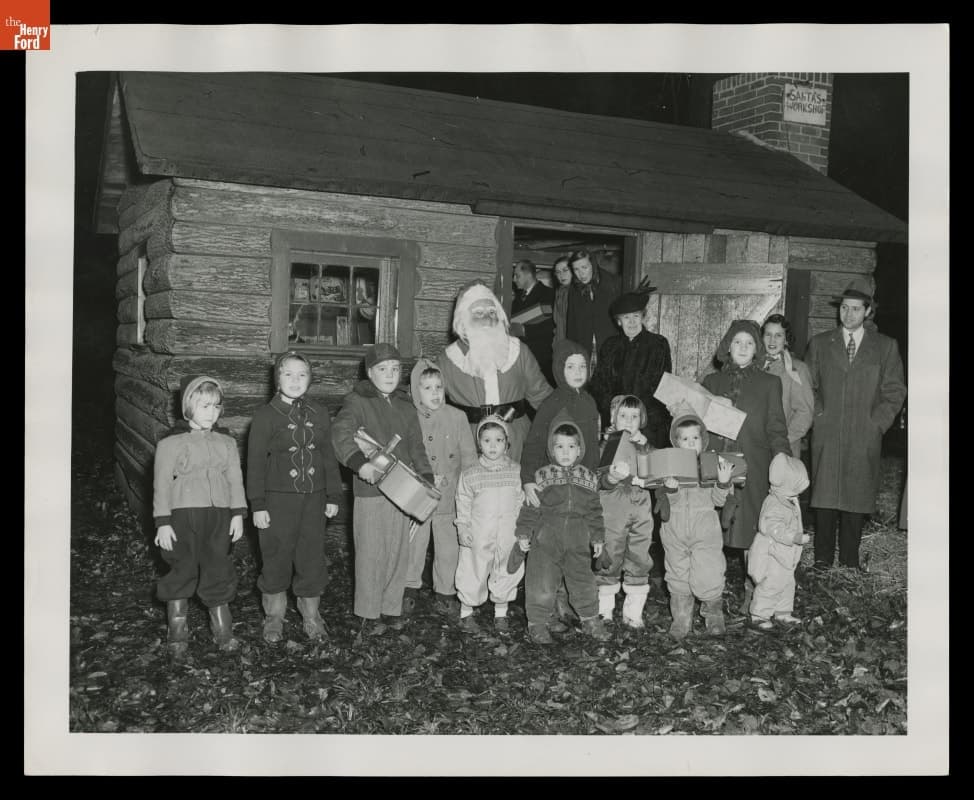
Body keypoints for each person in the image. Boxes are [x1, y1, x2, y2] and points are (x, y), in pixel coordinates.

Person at [331, 343, 434, 633]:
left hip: (403, 489)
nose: (389, 374)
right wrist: (358, 463)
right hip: (372, 490)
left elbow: (416, 445)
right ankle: (368, 610)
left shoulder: (405, 405)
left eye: (395, 369)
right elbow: (340, 433)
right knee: (370, 551)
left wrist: (426, 475)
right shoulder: (357, 401)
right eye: (382, 369)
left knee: (398, 550)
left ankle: (391, 607)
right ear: (369, 372)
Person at [805, 278, 906, 570]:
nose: (848, 315)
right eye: (844, 308)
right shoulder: (821, 344)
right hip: (827, 432)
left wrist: (877, 424)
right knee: (825, 496)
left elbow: (895, 391)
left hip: (864, 433)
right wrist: (818, 415)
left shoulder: (885, 347)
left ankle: (850, 562)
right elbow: (807, 386)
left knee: (856, 496)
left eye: (856, 309)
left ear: (868, 311)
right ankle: (822, 561)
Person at [247, 352, 343, 643]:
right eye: (288, 374)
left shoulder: (319, 413)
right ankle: (274, 616)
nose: (295, 380)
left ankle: (311, 615)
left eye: (302, 374)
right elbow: (254, 464)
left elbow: (328, 457)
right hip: (277, 501)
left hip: (313, 500)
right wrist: (257, 504)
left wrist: (333, 495)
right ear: (277, 379)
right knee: (275, 555)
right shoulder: (265, 416)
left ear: (310, 379)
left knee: (311, 556)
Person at [153, 375, 247, 657]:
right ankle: (177, 631)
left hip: (219, 516)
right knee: (182, 568)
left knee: (218, 567)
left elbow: (235, 479)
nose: (211, 412)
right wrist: (162, 522)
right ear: (187, 408)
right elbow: (161, 483)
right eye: (204, 406)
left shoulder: (226, 442)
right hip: (182, 516)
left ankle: (223, 631)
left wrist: (237, 514)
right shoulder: (170, 443)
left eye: (216, 406)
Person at [702, 320, 791, 611]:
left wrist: (783, 462)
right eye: (737, 342)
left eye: (749, 343)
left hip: (752, 463)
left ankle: (755, 591)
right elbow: (697, 428)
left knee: (752, 530)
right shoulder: (711, 383)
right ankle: (709, 593)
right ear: (728, 346)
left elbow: (776, 428)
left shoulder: (769, 384)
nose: (742, 348)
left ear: (757, 349)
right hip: (718, 462)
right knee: (710, 530)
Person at [519, 339, 601, 629]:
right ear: (559, 370)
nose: (577, 372)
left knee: (577, 549)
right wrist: (528, 480)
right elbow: (533, 445)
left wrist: (593, 479)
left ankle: (570, 602)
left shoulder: (589, 402)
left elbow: (592, 448)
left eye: (582, 366)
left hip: (580, 487)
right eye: (570, 367)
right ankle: (550, 606)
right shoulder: (552, 404)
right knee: (549, 552)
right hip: (552, 487)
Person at [514, 412, 611, 644]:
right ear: (551, 449)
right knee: (541, 581)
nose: (565, 452)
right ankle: (537, 623)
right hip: (546, 539)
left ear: (579, 450)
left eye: (571, 446)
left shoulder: (588, 478)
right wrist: (524, 533)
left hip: (578, 539)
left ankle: (590, 619)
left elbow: (595, 511)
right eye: (559, 446)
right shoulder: (542, 476)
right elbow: (530, 507)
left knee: (583, 580)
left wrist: (598, 537)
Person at [437, 280, 553, 462]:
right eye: (478, 313)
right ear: (463, 317)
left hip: (516, 442)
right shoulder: (448, 359)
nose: (487, 318)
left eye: (492, 312)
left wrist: (567, 422)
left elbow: (543, 397)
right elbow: (428, 402)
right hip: (469, 444)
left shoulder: (518, 351)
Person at [405, 358, 478, 616]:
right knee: (414, 544)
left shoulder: (457, 417)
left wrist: (470, 487)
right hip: (419, 494)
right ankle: (409, 588)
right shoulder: (411, 417)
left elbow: (468, 456)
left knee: (448, 547)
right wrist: (419, 476)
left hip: (450, 494)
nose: (434, 393)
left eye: (438, 387)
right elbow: (406, 454)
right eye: (427, 388)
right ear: (416, 391)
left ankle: (445, 592)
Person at [657, 407, 733, 639]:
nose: (691, 443)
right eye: (685, 439)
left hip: (705, 532)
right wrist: (670, 489)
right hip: (675, 532)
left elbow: (719, 501)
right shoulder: (668, 466)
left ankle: (714, 615)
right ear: (676, 442)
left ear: (703, 440)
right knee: (677, 574)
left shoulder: (710, 465)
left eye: (695, 438)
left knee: (709, 572)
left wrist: (722, 483)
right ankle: (681, 618)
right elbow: (666, 504)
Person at [454, 416, 525, 634]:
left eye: (499, 440)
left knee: (507, 569)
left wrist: (523, 531)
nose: (493, 446)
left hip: (508, 533)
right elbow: (463, 502)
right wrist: (463, 527)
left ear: (507, 443)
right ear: (479, 443)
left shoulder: (516, 471)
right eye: (487, 441)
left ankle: (501, 613)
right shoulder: (471, 473)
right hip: (479, 533)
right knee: (473, 569)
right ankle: (466, 612)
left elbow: (521, 501)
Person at [595, 395, 655, 630]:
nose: (629, 421)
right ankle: (604, 610)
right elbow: (598, 477)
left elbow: (657, 471)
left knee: (640, 554)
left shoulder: (645, 445)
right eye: (623, 415)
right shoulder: (607, 444)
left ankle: (633, 613)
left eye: (634, 416)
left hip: (641, 506)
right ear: (613, 418)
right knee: (610, 553)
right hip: (613, 505)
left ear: (642, 420)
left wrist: (645, 447)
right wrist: (611, 478)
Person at [590, 290, 673, 449]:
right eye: (626, 317)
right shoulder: (610, 346)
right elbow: (598, 385)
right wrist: (615, 410)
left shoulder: (658, 345)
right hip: (616, 421)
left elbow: (663, 387)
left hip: (649, 424)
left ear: (643, 317)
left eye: (636, 316)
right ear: (618, 322)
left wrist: (638, 416)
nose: (632, 322)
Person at [748, 452, 811, 630]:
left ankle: (782, 612)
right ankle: (759, 615)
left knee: (787, 583)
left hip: (785, 555)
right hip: (773, 553)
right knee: (772, 584)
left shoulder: (787, 498)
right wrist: (794, 537)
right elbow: (773, 527)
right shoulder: (775, 503)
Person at [760, 314, 814, 459]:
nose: (772, 340)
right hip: (754, 448)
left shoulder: (797, 370)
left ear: (786, 340)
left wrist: (781, 441)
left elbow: (805, 414)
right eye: (768, 334)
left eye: (778, 335)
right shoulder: (753, 367)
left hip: (782, 450)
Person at [564, 249, 622, 373]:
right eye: (576, 269)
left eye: (584, 267)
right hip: (584, 349)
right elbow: (571, 324)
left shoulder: (613, 283)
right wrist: (571, 353)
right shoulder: (574, 290)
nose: (581, 274)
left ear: (593, 265)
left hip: (610, 348)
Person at [511, 259, 556, 385]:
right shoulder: (517, 298)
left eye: (517, 276)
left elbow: (551, 326)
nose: (514, 279)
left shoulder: (549, 294)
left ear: (529, 275)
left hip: (541, 359)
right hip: (520, 359)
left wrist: (525, 330)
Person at [550, 255, 573, 344]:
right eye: (558, 272)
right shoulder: (559, 292)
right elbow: (558, 323)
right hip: (561, 343)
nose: (561, 275)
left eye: (565, 270)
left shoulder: (578, 292)